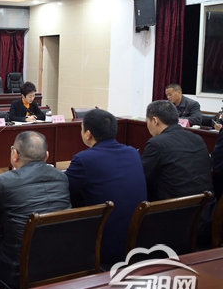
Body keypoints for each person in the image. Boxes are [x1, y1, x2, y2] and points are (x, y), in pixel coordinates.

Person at [0, 131, 70, 289]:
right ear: (46, 156)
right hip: (62, 262)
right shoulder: (62, 178)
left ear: (15, 155)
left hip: (19, 269)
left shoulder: (6, 181)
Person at [65, 109, 147, 265]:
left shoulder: (84, 159)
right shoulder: (132, 153)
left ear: (88, 134)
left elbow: (64, 188)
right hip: (137, 239)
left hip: (106, 243)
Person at [142, 100, 215, 242]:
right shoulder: (197, 138)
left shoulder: (157, 144)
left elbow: (142, 177)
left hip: (177, 221)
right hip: (206, 216)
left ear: (155, 121)